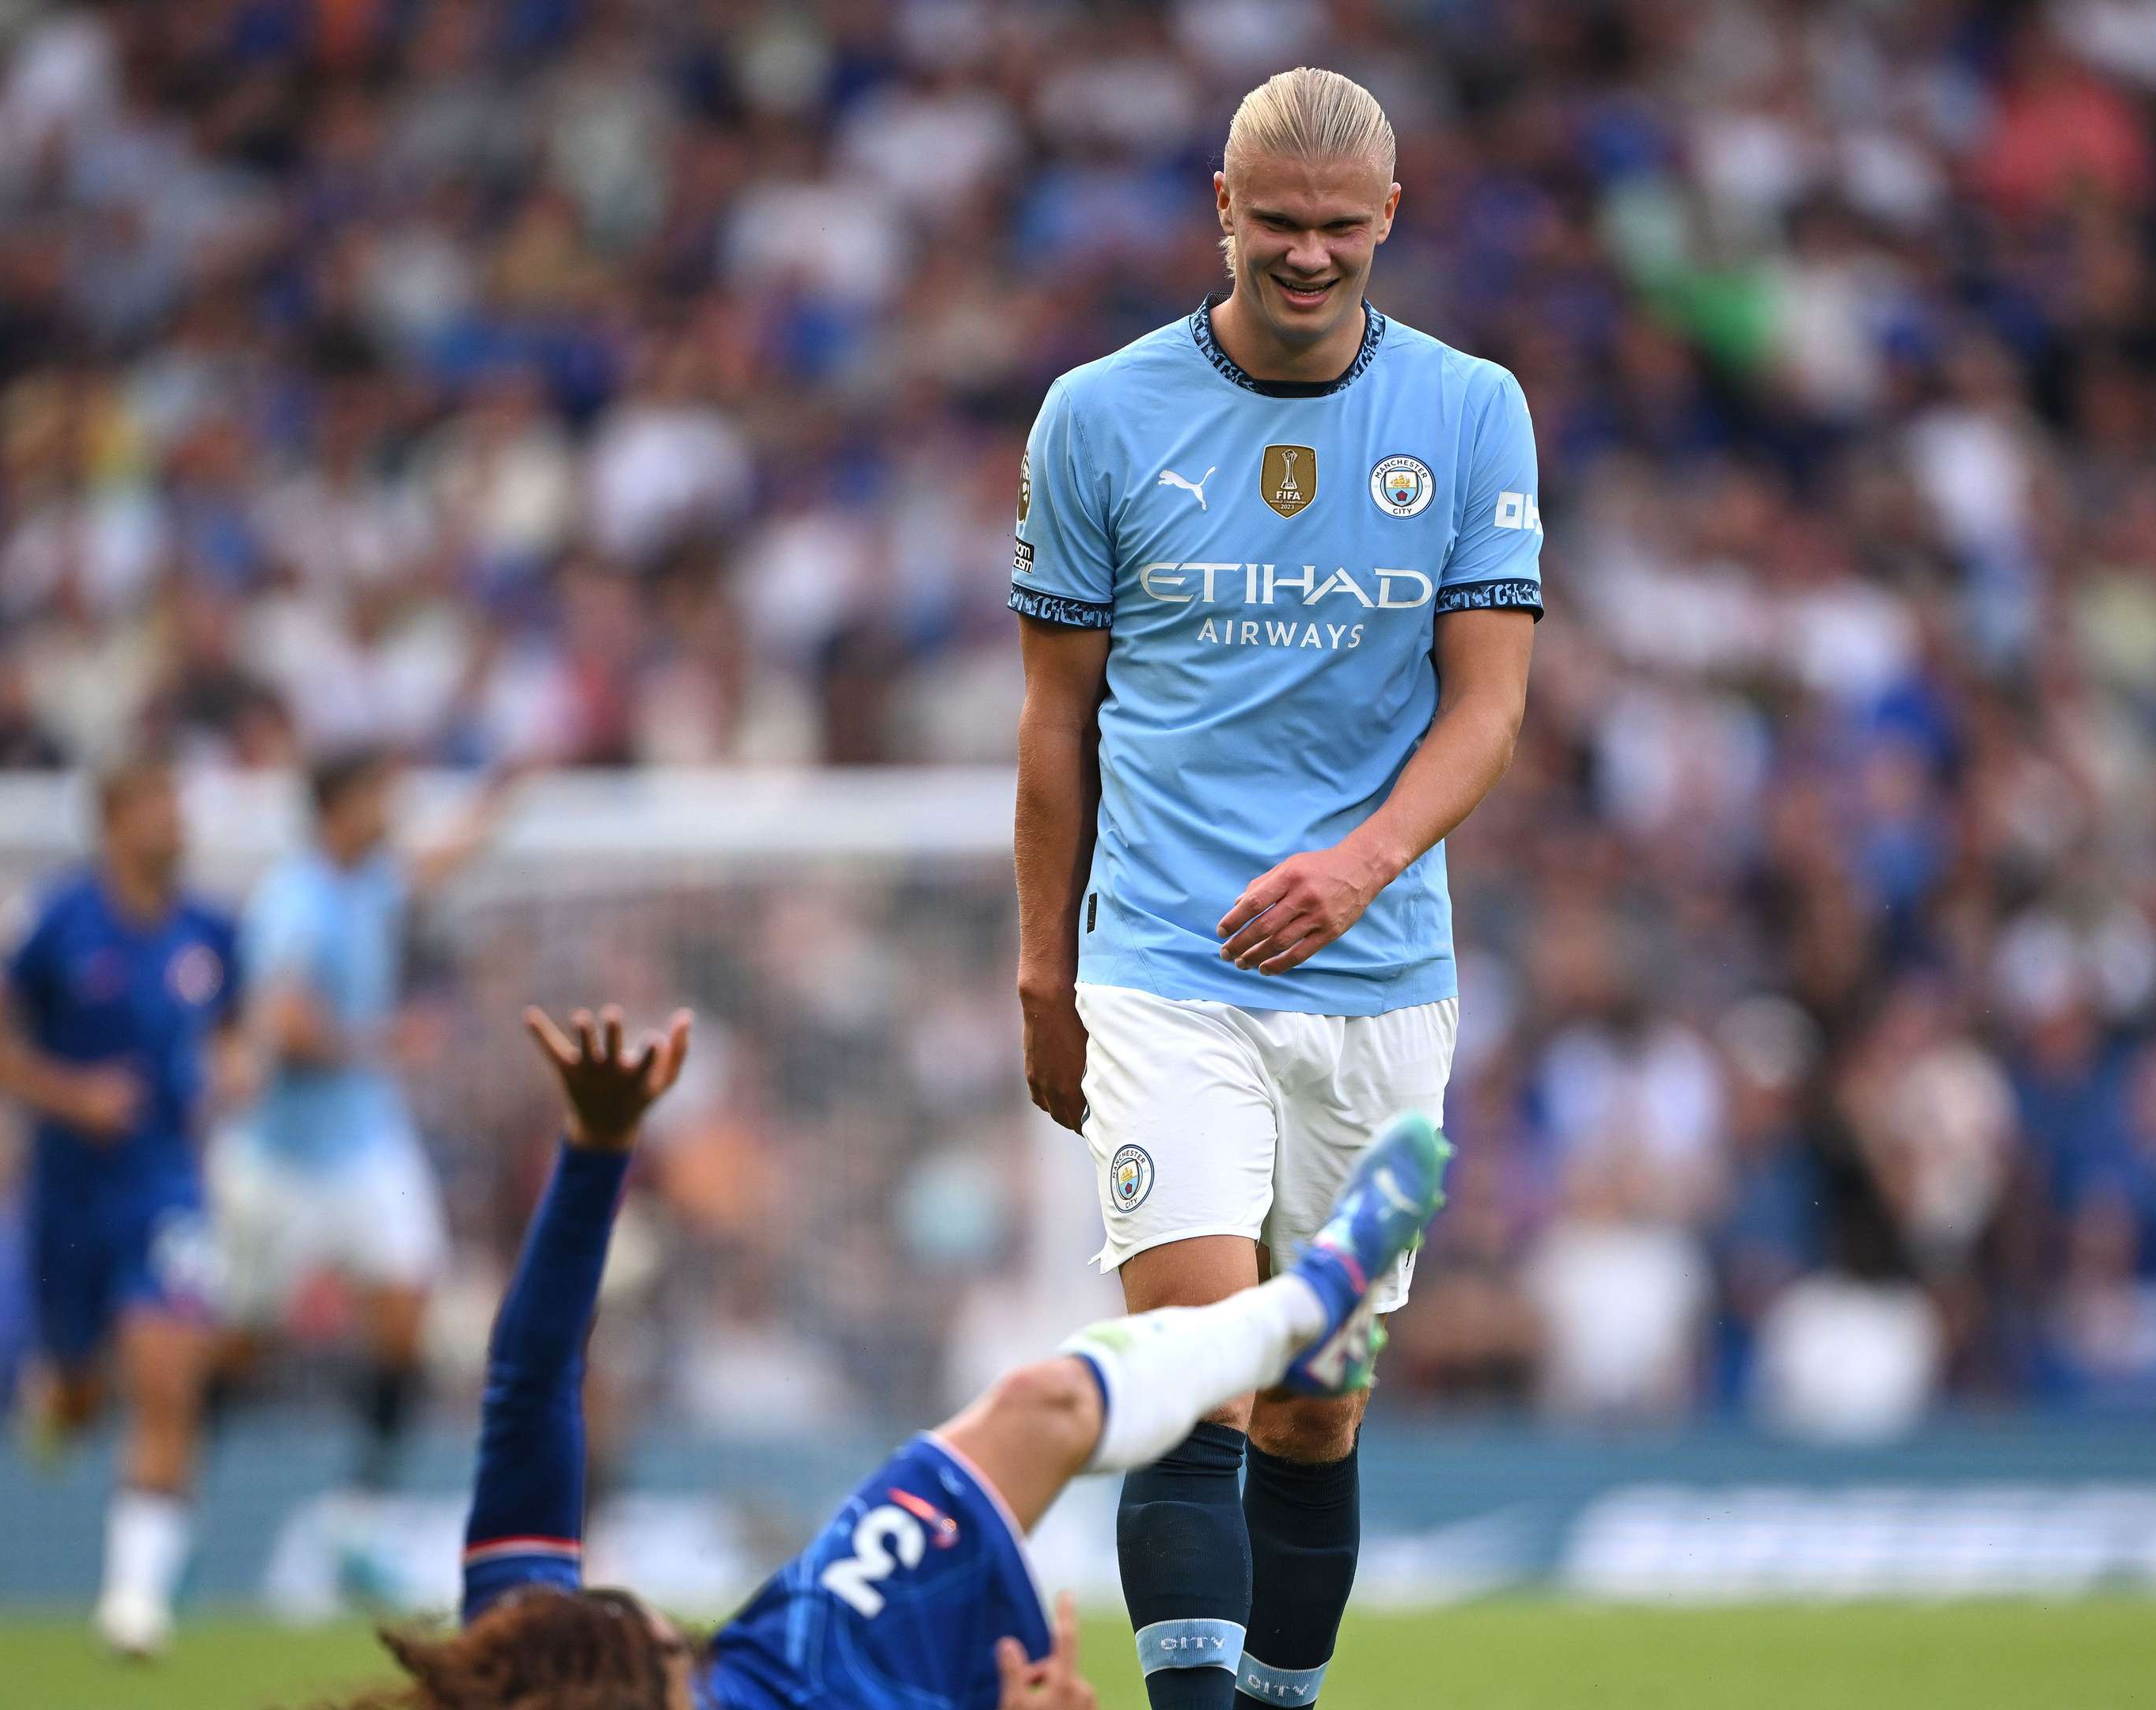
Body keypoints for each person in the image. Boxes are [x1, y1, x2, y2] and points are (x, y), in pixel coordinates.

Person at [1008, 65, 1538, 1708]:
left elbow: (1490, 705)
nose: (1307, 259)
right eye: (1278, 227)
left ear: (1390, 219)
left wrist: (1366, 863)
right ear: (1220, 210)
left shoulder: (1469, 412)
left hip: (1379, 985)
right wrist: (1045, 972)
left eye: (1339, 232)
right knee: (1194, 1376)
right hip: (1166, 963)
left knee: (1316, 1401)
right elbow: (1053, 726)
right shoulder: (1098, 414)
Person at [342, 1001, 1452, 1710]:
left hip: (788, 1646)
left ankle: (1303, 1305)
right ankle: (1305, 1304)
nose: (632, 1611)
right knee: (1042, 1410)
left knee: (1038, 1405)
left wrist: (593, 1156)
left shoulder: (515, 1645)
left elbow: (528, 1386)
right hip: (821, 1683)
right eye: (647, 1654)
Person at [0, 754, 242, 1656]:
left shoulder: (212, 930)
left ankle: (134, 1601)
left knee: (167, 1373)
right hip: (67, 1196)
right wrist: (72, 1096)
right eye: (164, 803)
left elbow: (234, 1038)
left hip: (166, 1188)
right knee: (78, 1391)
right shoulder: (54, 920)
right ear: (117, 818)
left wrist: (234, 1072)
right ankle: (55, 1395)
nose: (181, 820)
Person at [214, 750, 518, 1518]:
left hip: (367, 1145)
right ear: (338, 809)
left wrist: (504, 790)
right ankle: (178, 1494)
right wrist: (382, 1042)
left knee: (407, 1313)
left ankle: (364, 1510)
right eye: (379, 797)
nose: (392, 812)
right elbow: (279, 1022)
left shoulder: (370, 884)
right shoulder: (295, 902)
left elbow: (435, 863)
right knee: (243, 1344)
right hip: (280, 1158)